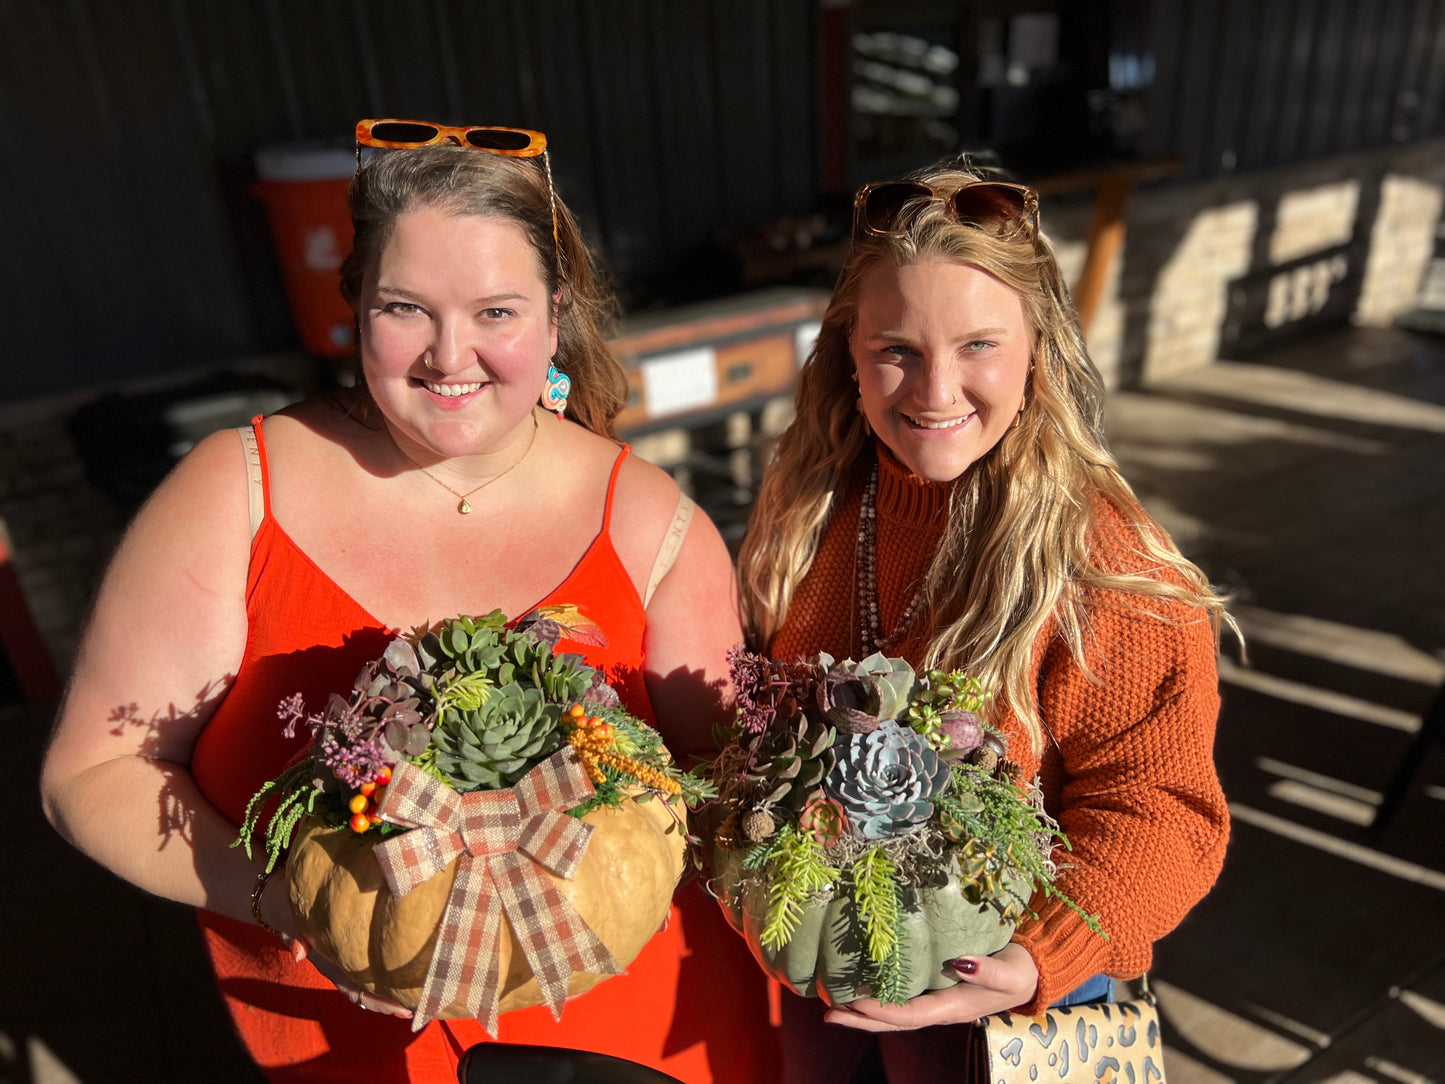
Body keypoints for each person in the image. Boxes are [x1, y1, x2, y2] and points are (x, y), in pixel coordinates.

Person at [41, 122, 778, 1083]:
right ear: (354, 303)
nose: (448, 354)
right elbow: (92, 774)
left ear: (555, 316)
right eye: (405, 308)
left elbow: (723, 786)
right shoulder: (234, 494)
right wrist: (298, 901)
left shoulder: (649, 521)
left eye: (496, 311)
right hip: (337, 1044)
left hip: (626, 1043)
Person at [735, 160, 1232, 1083]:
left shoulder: (1101, 560)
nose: (935, 391)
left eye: (977, 346)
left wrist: (1042, 955)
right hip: (821, 990)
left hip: (1010, 1005)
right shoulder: (808, 507)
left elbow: (1159, 807)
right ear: (846, 350)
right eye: (896, 348)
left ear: (1038, 348)